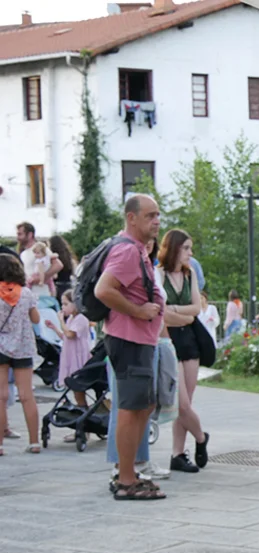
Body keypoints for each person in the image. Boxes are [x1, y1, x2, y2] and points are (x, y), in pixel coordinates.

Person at [94, 194, 167, 500]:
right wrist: (138, 312)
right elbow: (103, 290)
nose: (157, 221)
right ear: (131, 218)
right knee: (130, 408)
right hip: (129, 339)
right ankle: (125, 479)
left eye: (158, 215)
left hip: (138, 340)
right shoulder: (126, 251)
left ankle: (129, 472)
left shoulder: (135, 249)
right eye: (150, 215)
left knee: (143, 405)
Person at [156, 229, 209, 474]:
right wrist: (182, 314)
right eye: (186, 248)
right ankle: (201, 437)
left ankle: (177, 454)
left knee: (187, 400)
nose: (190, 253)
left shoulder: (190, 274)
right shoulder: (158, 274)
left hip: (189, 340)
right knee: (181, 403)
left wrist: (175, 310)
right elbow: (161, 313)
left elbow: (197, 309)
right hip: (168, 339)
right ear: (174, 248)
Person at [0, 254, 42, 456]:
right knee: (27, 395)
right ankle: (34, 442)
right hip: (23, 347)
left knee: (1, 396)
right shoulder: (25, 293)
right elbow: (36, 319)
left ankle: (0, 445)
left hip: (0, 348)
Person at [44, 290, 93, 441]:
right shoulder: (72, 318)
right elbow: (65, 336)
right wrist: (55, 328)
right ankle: (81, 424)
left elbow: (71, 334)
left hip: (78, 358)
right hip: (70, 356)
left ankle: (84, 427)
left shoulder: (81, 319)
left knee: (79, 394)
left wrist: (60, 321)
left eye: (65, 304)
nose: (63, 307)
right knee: (76, 394)